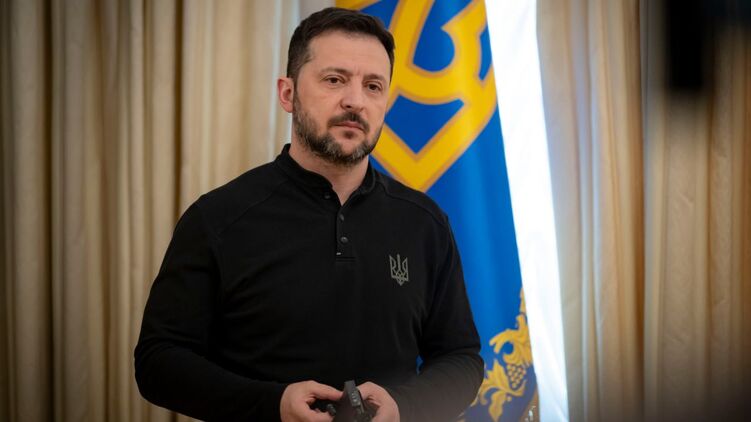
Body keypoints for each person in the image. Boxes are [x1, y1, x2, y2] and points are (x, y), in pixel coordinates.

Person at [134, 7, 483, 422]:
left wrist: (404, 406)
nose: (355, 101)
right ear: (288, 94)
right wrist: (274, 404)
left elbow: (461, 359)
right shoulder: (217, 219)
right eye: (334, 80)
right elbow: (158, 362)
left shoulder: (425, 223)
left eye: (373, 86)